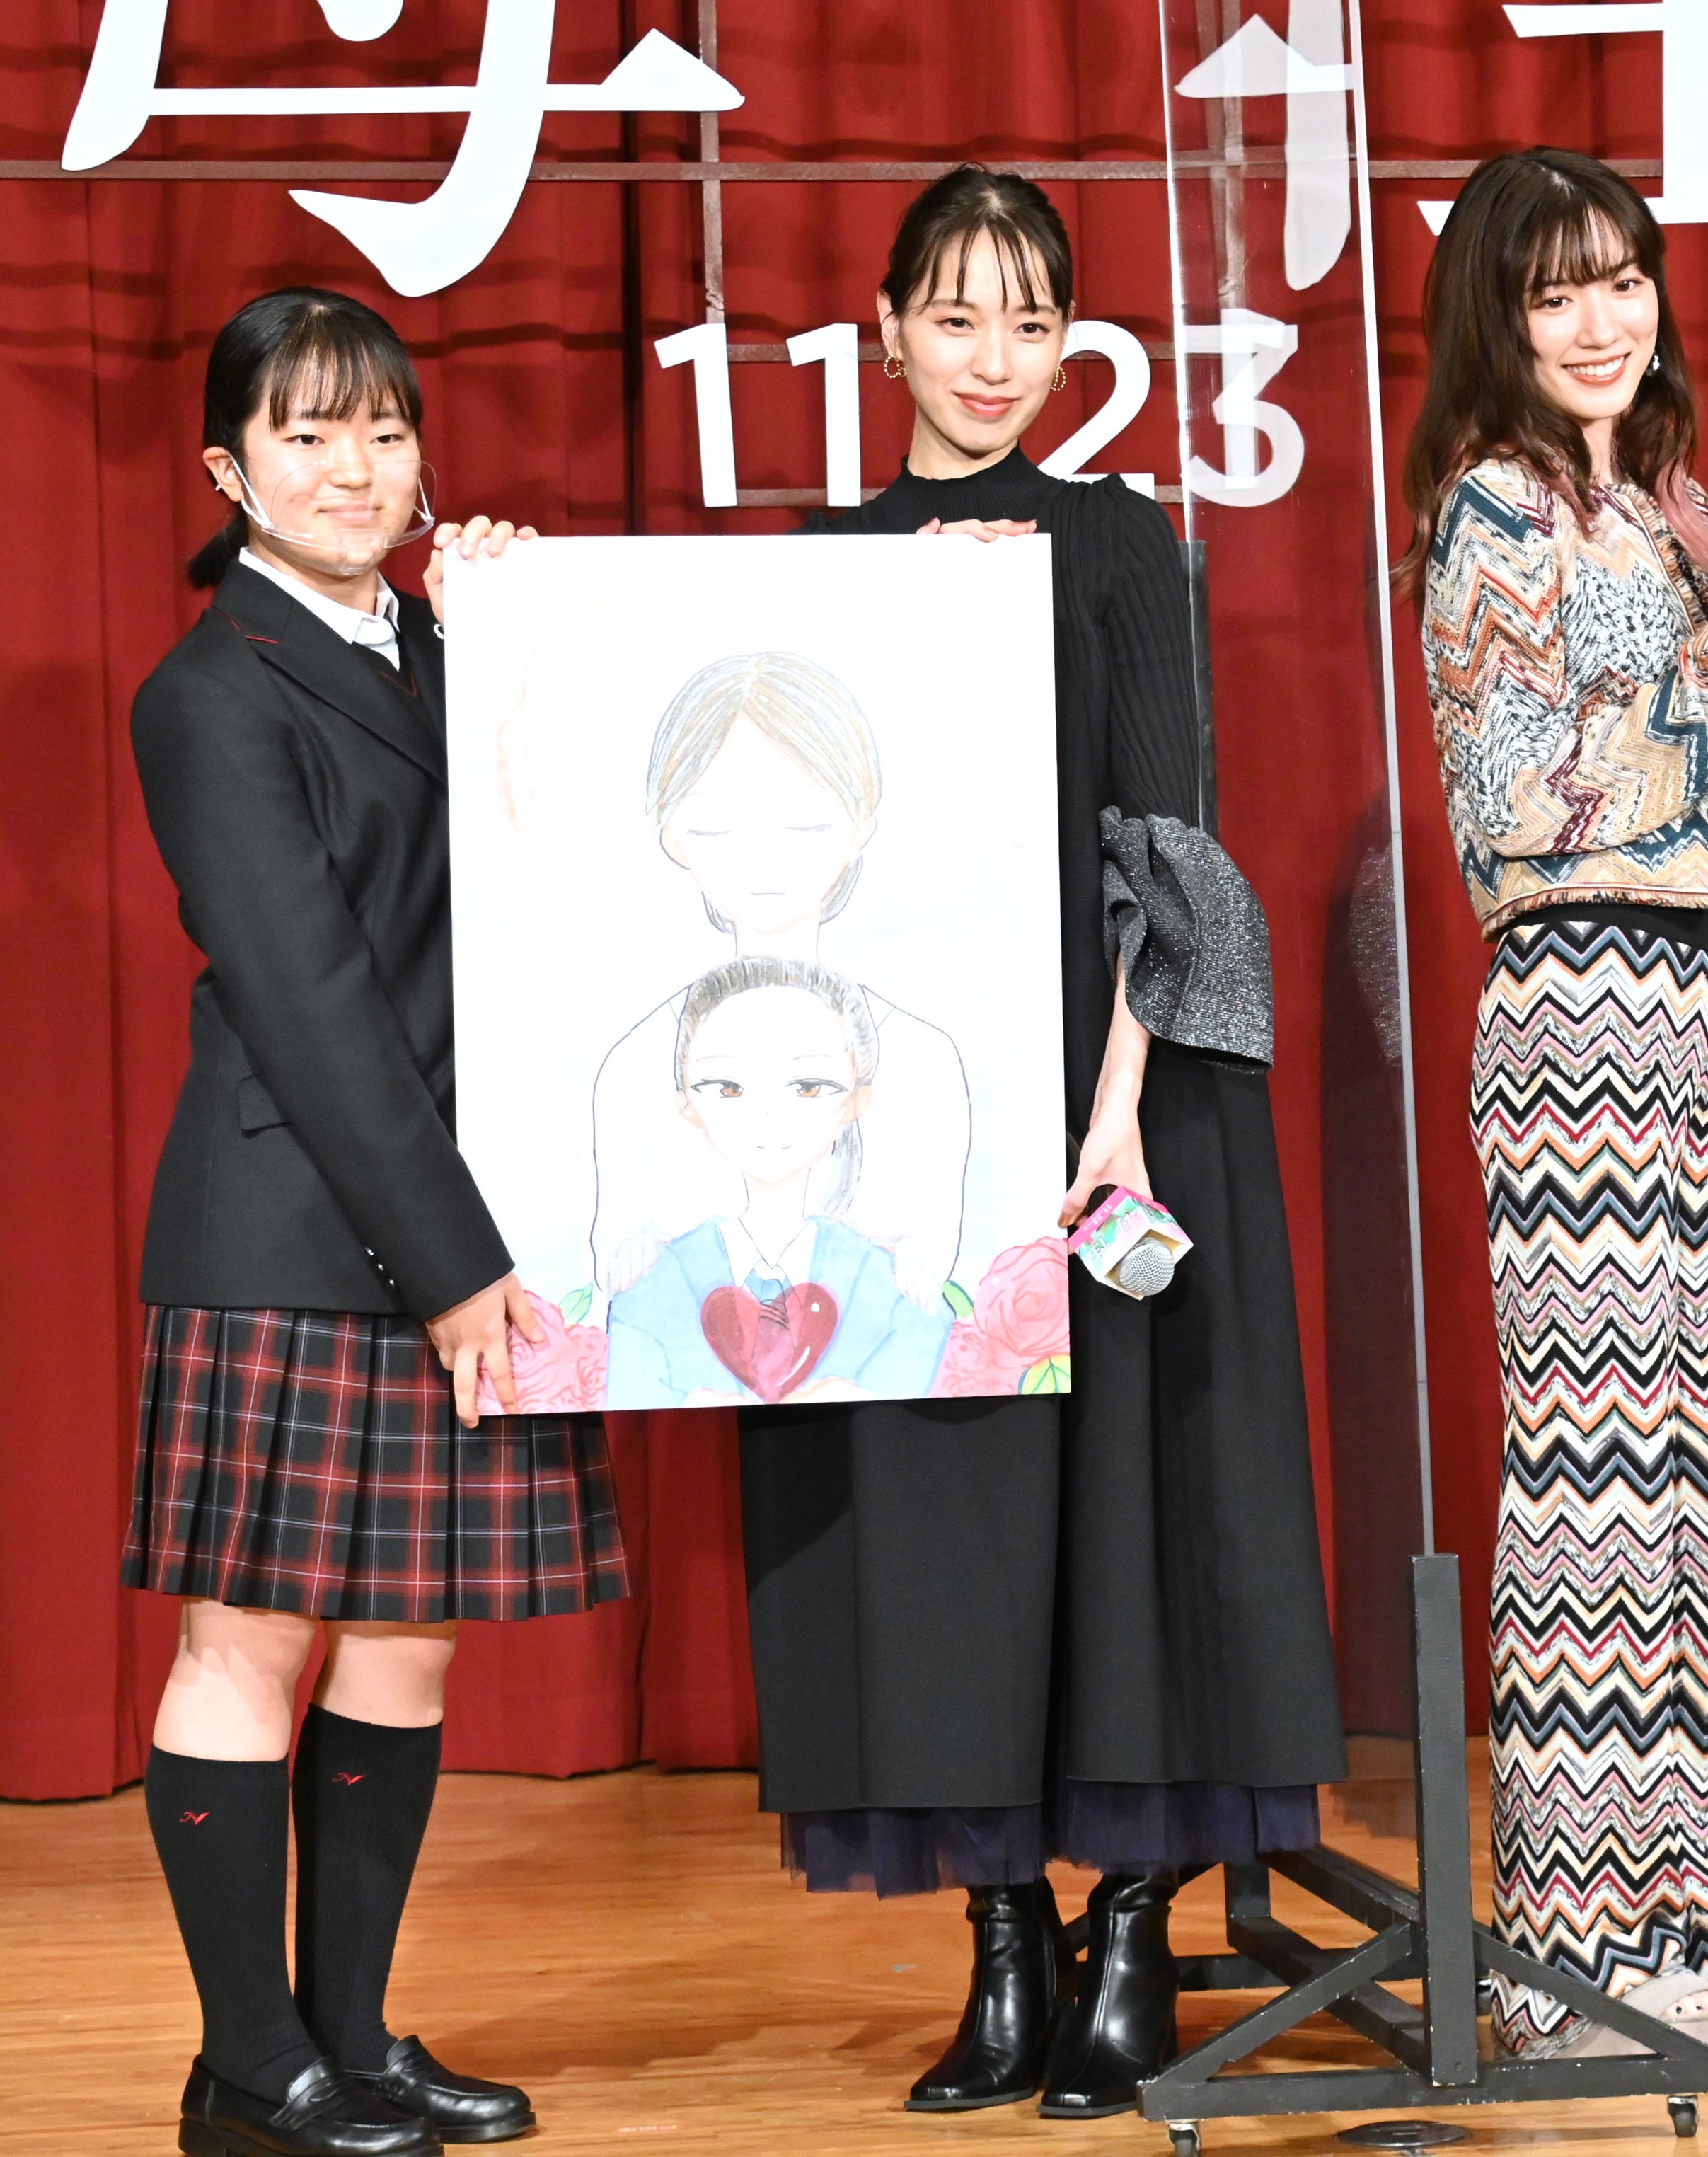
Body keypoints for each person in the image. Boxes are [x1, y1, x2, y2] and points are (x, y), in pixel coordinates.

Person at [733, 166, 1346, 2120]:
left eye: (1030, 322)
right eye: (957, 316)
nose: (993, 358)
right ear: (886, 331)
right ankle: (1004, 1948)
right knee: (943, 1537)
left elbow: (1170, 844)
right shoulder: (826, 565)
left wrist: (1115, 1115)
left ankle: (1133, 1938)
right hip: (908, 1109)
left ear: (1069, 345)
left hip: (1119, 1099)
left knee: (1138, 1514)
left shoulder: (1118, 539)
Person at [124, 288, 620, 2156]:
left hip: (457, 1222)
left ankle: (352, 2036)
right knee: (246, 1646)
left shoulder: (452, 644)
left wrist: (513, 634)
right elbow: (315, 1001)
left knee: (410, 1643)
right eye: (309, 431)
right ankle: (249, 2070)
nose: (356, 468)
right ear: (228, 467)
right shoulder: (208, 693)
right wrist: (458, 1267)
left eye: (386, 430)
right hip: (300, 1225)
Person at [1403, 146, 1708, 2062]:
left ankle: (1691, 1922)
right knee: (1591, 1489)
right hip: (1573, 1007)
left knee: (1704, 1481)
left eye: (1625, 277)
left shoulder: (1674, 517)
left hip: (1688, 1020)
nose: (1602, 319)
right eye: (1557, 287)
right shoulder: (1492, 513)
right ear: (1496, 318)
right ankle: (1567, 1960)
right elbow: (1523, 797)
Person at [587, 649, 971, 1308]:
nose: (763, 856)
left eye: (806, 822)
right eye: (716, 825)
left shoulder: (922, 1060)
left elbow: (934, 1279)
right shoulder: (638, 1065)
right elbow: (613, 1272)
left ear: (861, 828)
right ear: (672, 835)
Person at [605, 957, 955, 1408]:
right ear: (687, 1104)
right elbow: (635, 1396)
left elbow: (917, 1376)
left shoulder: (891, 1286)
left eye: (808, 1087)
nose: (768, 1112)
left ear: (856, 1102)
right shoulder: (654, 1285)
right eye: (729, 1088)